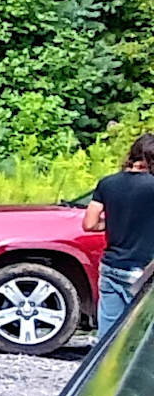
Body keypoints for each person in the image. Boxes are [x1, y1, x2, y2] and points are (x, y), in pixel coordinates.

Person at [84, 134, 154, 337]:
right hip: (144, 271)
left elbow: (89, 223)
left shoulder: (107, 183)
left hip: (111, 267)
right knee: (142, 336)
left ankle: (102, 367)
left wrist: (115, 221)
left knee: (108, 334)